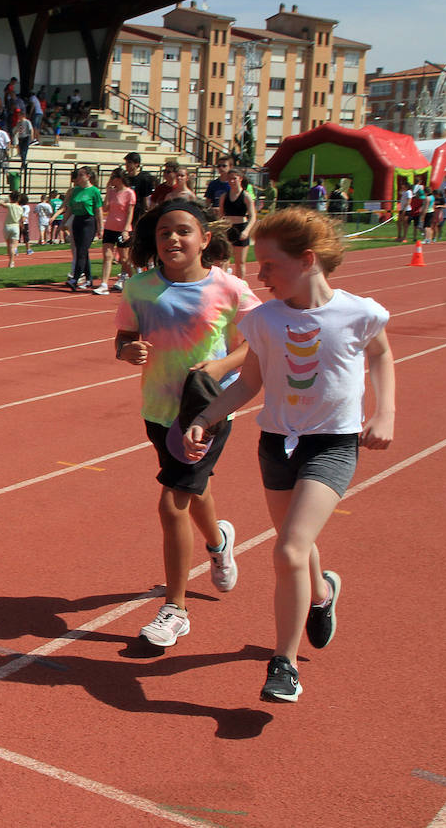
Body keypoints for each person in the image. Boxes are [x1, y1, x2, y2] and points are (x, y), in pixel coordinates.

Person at [182, 207, 395, 702]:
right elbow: (250, 383)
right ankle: (322, 594)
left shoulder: (359, 313)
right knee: (294, 544)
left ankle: (284, 663)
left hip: (332, 445)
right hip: (276, 443)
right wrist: (204, 417)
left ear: (307, 260)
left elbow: (381, 354)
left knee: (288, 550)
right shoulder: (264, 321)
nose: (260, 275)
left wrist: (384, 414)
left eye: (270, 265)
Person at [114, 200, 258, 648]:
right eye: (162, 233)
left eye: (182, 231)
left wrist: (219, 368)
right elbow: (123, 336)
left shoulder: (230, 288)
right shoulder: (139, 288)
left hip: (206, 414)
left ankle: (174, 609)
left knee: (172, 502)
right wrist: (127, 350)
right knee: (194, 487)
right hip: (158, 410)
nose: (172, 240)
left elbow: (256, 344)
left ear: (204, 239)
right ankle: (218, 542)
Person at [60, 167, 103, 291]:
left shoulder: (94, 191)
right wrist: (63, 222)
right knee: (82, 250)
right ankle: (89, 279)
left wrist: (100, 227)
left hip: (88, 221)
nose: (77, 178)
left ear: (88, 176)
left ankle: (75, 278)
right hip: (77, 221)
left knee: (82, 251)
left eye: (80, 175)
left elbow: (98, 210)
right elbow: (70, 208)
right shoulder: (75, 191)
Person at [93, 168, 135, 294]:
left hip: (122, 229)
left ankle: (134, 281)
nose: (110, 180)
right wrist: (107, 192)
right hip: (110, 227)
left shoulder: (129, 193)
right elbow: (105, 207)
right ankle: (104, 284)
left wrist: (126, 229)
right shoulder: (111, 192)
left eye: (112, 178)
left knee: (124, 258)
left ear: (119, 179)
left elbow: (129, 212)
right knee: (107, 256)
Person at [217, 169, 257, 280]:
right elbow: (221, 215)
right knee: (224, 259)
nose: (232, 181)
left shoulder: (246, 196)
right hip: (228, 228)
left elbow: (253, 216)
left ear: (240, 179)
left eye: (234, 178)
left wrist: (246, 231)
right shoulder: (224, 196)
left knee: (240, 261)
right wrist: (220, 229)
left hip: (241, 228)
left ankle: (241, 285)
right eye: (229, 179)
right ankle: (224, 282)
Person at [0, 192, 26, 269]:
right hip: (15, 226)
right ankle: (12, 262)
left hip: (7, 226)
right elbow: (23, 219)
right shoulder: (20, 208)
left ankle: (11, 259)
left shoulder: (10, 205)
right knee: (13, 246)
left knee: (9, 245)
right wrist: (22, 225)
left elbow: (1, 204)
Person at [124, 152, 156, 229]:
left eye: (130, 162)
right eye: (126, 162)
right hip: (125, 209)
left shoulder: (143, 178)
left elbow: (146, 196)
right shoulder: (124, 178)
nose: (127, 165)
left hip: (137, 210)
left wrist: (146, 211)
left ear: (136, 164)